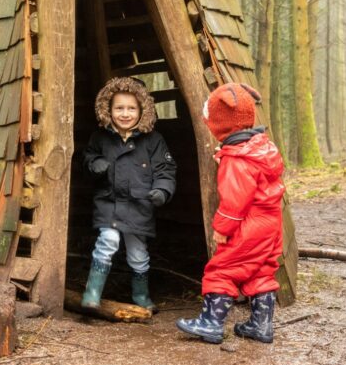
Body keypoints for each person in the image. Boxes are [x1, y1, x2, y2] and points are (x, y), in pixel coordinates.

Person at [176, 82, 285, 344]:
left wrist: (222, 230)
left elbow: (235, 202)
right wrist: (226, 159)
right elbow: (252, 176)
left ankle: (211, 323)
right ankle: (261, 326)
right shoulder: (261, 149)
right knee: (261, 269)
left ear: (219, 124)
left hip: (249, 223)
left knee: (222, 269)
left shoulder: (236, 161)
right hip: (270, 221)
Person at [81, 77, 176, 313]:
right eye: (119, 108)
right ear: (108, 109)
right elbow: (87, 159)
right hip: (109, 204)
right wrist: (95, 164)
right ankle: (92, 294)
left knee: (137, 254)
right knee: (107, 242)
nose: (125, 114)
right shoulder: (100, 137)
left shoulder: (153, 141)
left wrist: (162, 190)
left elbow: (166, 169)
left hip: (139, 206)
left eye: (131, 108)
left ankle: (141, 294)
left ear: (142, 110)